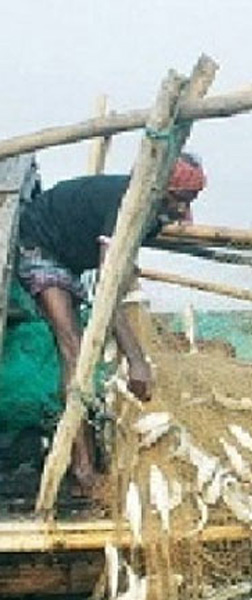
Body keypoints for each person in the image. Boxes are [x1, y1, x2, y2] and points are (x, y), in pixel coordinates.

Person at [15, 153, 206, 495]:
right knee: (73, 348)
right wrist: (137, 360)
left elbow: (122, 271)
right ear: (162, 190)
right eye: (182, 201)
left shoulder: (151, 217)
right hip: (40, 247)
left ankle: (90, 456)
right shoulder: (126, 207)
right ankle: (83, 470)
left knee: (86, 348)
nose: (185, 214)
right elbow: (107, 287)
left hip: (70, 262)